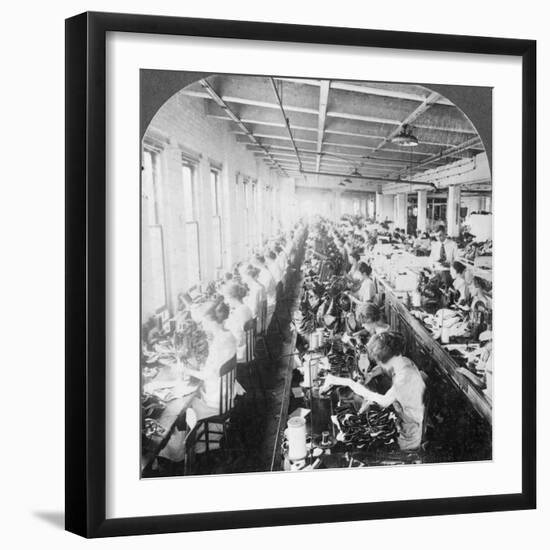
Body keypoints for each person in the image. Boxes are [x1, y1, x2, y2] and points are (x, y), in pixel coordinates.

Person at [159, 299, 237, 460]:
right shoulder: (227, 335)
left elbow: (207, 374)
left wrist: (185, 369)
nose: (201, 325)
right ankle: (181, 447)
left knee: (178, 409)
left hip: (215, 402)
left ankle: (183, 450)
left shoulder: (216, 344)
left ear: (208, 320)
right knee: (186, 401)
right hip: (227, 394)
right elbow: (213, 368)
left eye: (202, 322)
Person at [321, 331, 425, 451]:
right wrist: (370, 374)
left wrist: (349, 383)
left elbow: (383, 401)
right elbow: (383, 368)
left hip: (408, 434)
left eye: (379, 361)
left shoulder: (404, 378)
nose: (379, 364)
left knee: (364, 444)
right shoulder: (402, 360)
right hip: (402, 416)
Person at [222, 282, 253, 363]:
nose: (226, 302)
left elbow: (237, 338)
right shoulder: (246, 307)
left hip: (241, 352)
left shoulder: (236, 314)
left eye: (226, 298)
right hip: (249, 348)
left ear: (232, 297)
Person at [252, 254, 277, 328]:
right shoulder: (264, 272)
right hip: (268, 302)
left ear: (257, 264)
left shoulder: (266, 275)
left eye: (254, 265)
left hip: (269, 304)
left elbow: (263, 292)